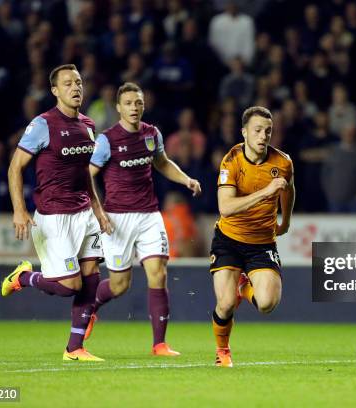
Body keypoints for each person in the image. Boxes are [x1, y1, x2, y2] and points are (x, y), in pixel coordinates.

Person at [2, 64, 111, 362]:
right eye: (68, 84)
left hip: (84, 213)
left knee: (91, 278)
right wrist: (19, 210)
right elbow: (15, 167)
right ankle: (25, 277)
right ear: (55, 91)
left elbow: (87, 175)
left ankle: (74, 349)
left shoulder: (89, 125)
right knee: (69, 286)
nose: (76, 88)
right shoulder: (42, 124)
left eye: (78, 82)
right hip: (53, 216)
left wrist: (98, 211)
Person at [87, 82, 202, 356]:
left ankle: (159, 344)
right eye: (128, 103)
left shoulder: (152, 134)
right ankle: (89, 307)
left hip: (150, 215)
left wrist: (186, 179)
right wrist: (99, 212)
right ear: (119, 108)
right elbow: (87, 175)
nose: (134, 107)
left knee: (158, 273)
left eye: (138, 102)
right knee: (119, 285)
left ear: (143, 105)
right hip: (117, 218)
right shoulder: (107, 140)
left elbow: (161, 162)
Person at [209, 106, 295, 367]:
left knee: (267, 304)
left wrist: (286, 221)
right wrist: (266, 192)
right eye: (257, 130)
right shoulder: (231, 160)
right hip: (229, 240)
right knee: (224, 304)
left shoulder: (283, 162)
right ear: (244, 132)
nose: (263, 136)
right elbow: (226, 207)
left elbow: (288, 190)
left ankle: (244, 286)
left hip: (262, 244)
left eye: (268, 131)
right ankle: (223, 351)